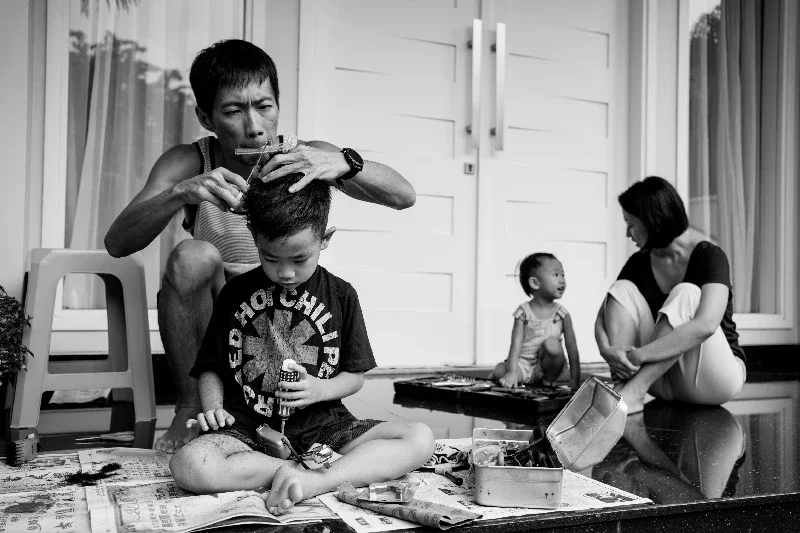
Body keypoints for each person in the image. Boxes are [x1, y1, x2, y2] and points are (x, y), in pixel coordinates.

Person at [103, 39, 416, 453]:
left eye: (264, 106)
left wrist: (343, 162)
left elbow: (404, 195)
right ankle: (190, 405)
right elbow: (117, 242)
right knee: (192, 255)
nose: (254, 126)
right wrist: (181, 192)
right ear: (206, 116)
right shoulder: (192, 161)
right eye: (234, 111)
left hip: (287, 310)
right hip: (224, 314)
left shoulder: (305, 156)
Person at [168, 174, 434, 514]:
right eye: (271, 258)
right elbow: (209, 368)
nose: (285, 273)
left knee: (419, 436)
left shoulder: (342, 295)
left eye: (299, 259)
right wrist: (213, 408)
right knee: (190, 464)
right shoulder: (236, 293)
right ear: (255, 239)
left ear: (325, 239)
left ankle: (316, 481)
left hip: (327, 427)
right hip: (249, 428)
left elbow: (354, 377)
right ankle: (295, 471)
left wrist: (320, 389)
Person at [594, 176, 747, 414]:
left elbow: (706, 325)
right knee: (621, 289)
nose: (627, 233)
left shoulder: (709, 256)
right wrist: (608, 351)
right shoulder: (639, 262)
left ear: (652, 221)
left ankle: (634, 391)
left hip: (712, 379)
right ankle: (624, 388)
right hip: (663, 383)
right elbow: (603, 316)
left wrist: (639, 355)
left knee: (686, 293)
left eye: (631, 224)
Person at [488, 253, 581, 390]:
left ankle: (547, 381)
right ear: (535, 283)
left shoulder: (562, 314)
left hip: (550, 369)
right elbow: (516, 344)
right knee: (503, 372)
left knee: (552, 344)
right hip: (523, 364)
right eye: (556, 275)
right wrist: (512, 372)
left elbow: (572, 348)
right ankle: (501, 370)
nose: (562, 280)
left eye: (563, 275)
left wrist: (575, 378)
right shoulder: (523, 313)